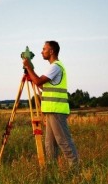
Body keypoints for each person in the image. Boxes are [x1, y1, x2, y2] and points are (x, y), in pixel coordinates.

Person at [22, 40, 79, 168]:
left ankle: (75, 170)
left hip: (57, 110)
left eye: (44, 49)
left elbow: (37, 82)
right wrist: (30, 71)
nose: (42, 52)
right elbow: (43, 86)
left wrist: (28, 67)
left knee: (64, 141)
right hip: (51, 111)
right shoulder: (53, 67)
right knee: (50, 144)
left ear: (51, 51)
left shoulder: (55, 67)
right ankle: (51, 171)